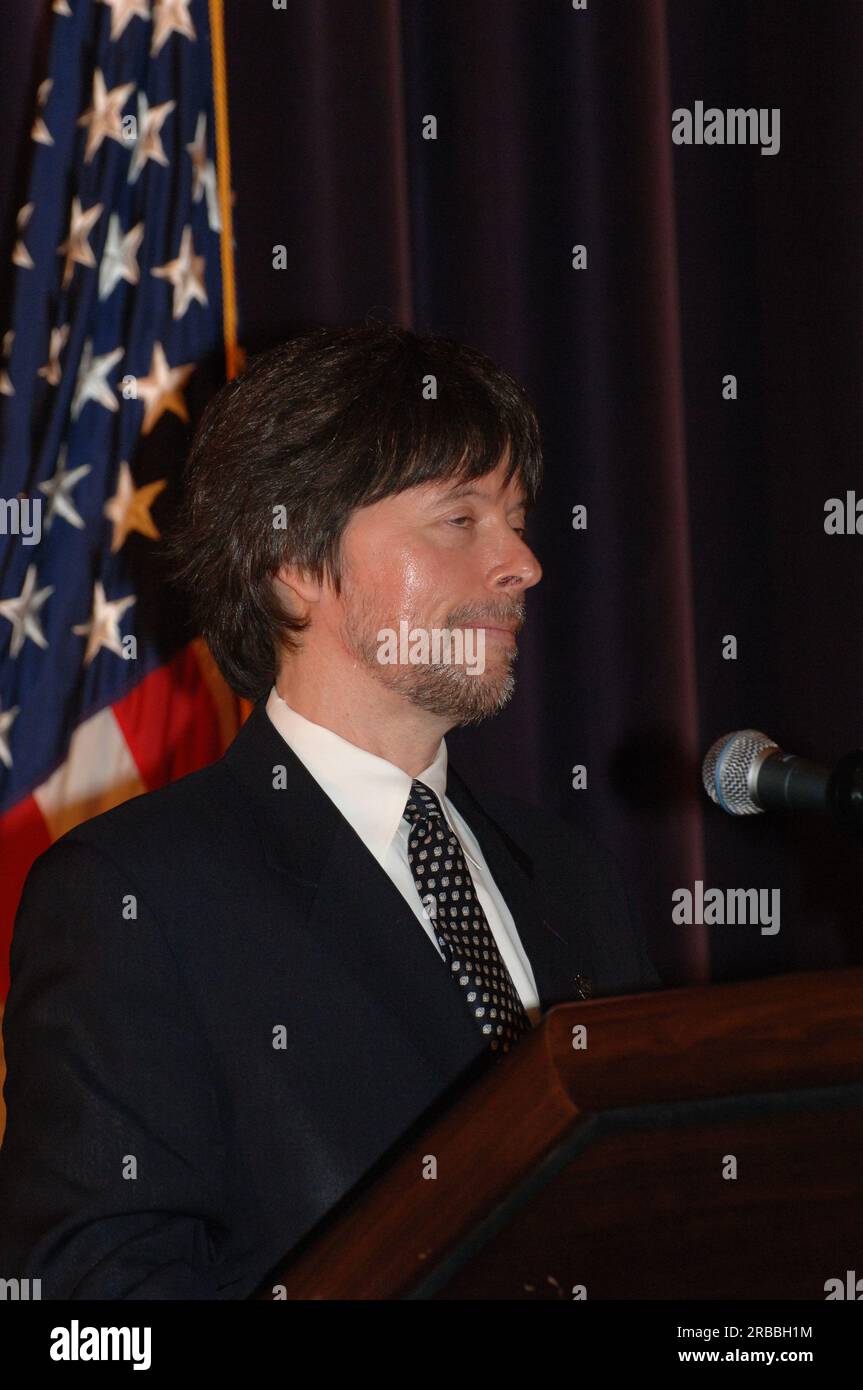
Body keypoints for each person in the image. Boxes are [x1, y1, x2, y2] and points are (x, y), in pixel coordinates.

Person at [0, 323, 661, 1299]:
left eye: (515, 518)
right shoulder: (134, 895)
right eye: (459, 519)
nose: (521, 561)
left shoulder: (569, 874)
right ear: (293, 564)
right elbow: (100, 1311)